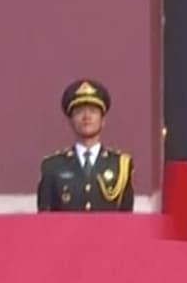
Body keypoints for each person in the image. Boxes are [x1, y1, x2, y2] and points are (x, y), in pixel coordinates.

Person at [38, 79, 135, 211]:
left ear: (103, 120)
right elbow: (44, 219)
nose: (86, 117)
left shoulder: (120, 165)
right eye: (79, 112)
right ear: (71, 121)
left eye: (93, 111)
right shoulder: (53, 166)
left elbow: (127, 218)